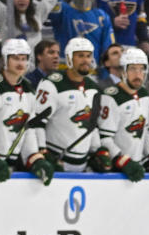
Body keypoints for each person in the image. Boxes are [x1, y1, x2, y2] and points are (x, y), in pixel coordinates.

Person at [0, 38, 53, 185]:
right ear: (5, 59)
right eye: (15, 58)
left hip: (11, 167)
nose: (20, 63)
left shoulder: (28, 89)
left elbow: (27, 130)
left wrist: (35, 158)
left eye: (24, 59)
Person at [31, 37, 102, 172]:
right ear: (69, 58)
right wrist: (42, 152)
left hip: (83, 164)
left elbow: (92, 126)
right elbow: (37, 123)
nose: (86, 60)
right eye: (80, 56)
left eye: (88, 56)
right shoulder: (51, 84)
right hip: (56, 162)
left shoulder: (94, 88)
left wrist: (97, 151)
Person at [94, 47, 149, 182]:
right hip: (116, 171)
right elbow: (104, 138)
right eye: (133, 69)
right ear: (124, 71)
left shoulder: (146, 95)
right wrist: (123, 160)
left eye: (141, 69)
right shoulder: (111, 96)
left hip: (139, 167)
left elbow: (144, 131)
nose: (138, 74)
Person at [49, 0, 115, 65]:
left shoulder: (102, 16)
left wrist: (105, 74)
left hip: (92, 72)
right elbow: (54, 0)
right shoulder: (63, 10)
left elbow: (108, 48)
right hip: (65, 69)